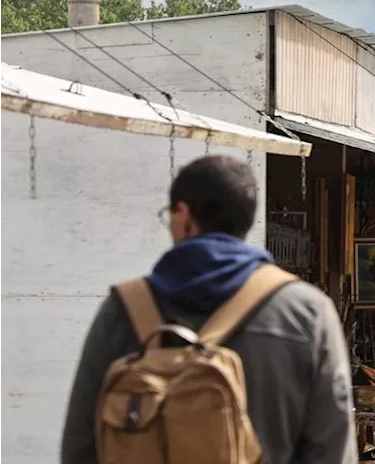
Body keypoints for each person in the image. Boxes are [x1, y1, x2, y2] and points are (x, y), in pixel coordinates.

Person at [60, 155, 356, 464]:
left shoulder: (122, 309)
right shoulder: (306, 312)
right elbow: (332, 448)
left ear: (184, 216)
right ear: (246, 221)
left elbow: (80, 445)